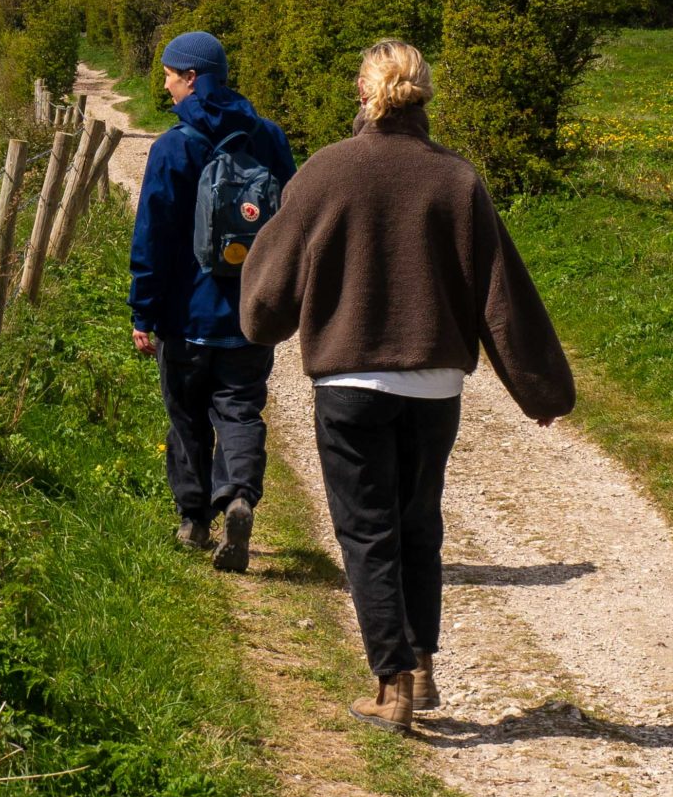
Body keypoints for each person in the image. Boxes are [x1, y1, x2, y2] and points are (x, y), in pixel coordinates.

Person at [240, 39, 574, 731]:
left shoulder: (327, 172)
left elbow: (269, 292)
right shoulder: (456, 180)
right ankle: (419, 666)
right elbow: (500, 292)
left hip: (351, 381)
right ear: (423, 95)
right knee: (418, 527)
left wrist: (259, 323)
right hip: (434, 388)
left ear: (364, 94)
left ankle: (391, 682)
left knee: (367, 533)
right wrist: (540, 391)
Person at [129, 29, 298, 571]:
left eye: (170, 75)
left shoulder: (174, 146)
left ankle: (194, 519)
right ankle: (240, 496)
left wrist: (144, 310)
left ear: (192, 78)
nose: (165, 84)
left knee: (187, 419)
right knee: (241, 410)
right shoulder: (269, 138)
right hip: (251, 313)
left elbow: (152, 236)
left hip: (186, 315)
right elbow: (292, 222)